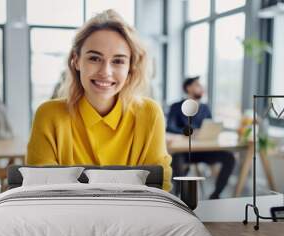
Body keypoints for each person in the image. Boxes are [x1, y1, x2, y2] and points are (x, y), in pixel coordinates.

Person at [26, 10, 172, 191]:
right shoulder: (49, 115)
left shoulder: (149, 113)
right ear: (76, 60)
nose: (105, 72)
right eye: (94, 58)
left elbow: (159, 188)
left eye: (118, 61)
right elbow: (41, 192)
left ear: (130, 68)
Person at [166, 76, 235, 199]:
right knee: (176, 160)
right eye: (197, 85)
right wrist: (190, 132)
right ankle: (178, 196)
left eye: (201, 85)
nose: (201, 88)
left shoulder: (205, 108)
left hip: (203, 150)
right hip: (184, 152)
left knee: (229, 157)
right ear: (188, 88)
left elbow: (210, 126)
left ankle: (216, 194)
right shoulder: (176, 107)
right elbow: (170, 127)